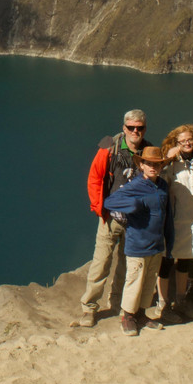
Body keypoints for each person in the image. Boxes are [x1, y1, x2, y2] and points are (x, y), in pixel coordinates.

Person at [73, 109, 153, 327]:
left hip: (137, 221)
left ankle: (118, 302)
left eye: (140, 128)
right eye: (131, 128)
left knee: (127, 265)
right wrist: (99, 209)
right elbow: (95, 178)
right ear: (124, 128)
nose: (135, 131)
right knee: (101, 263)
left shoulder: (149, 151)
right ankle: (89, 308)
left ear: (145, 129)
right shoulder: (110, 149)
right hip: (111, 219)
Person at [103, 146, 175, 336]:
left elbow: (167, 216)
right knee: (134, 281)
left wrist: (170, 243)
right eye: (149, 164)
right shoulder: (135, 186)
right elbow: (109, 202)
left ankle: (141, 314)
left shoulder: (163, 186)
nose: (153, 167)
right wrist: (133, 205)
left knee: (149, 282)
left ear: (161, 166)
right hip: (137, 245)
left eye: (157, 164)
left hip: (157, 244)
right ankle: (127, 316)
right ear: (141, 165)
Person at [156, 124, 193, 322]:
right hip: (174, 220)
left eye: (190, 140)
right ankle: (163, 304)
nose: (187, 143)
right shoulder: (171, 164)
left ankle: (180, 301)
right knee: (166, 261)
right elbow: (159, 182)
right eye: (183, 141)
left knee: (185, 262)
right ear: (176, 144)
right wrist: (167, 159)